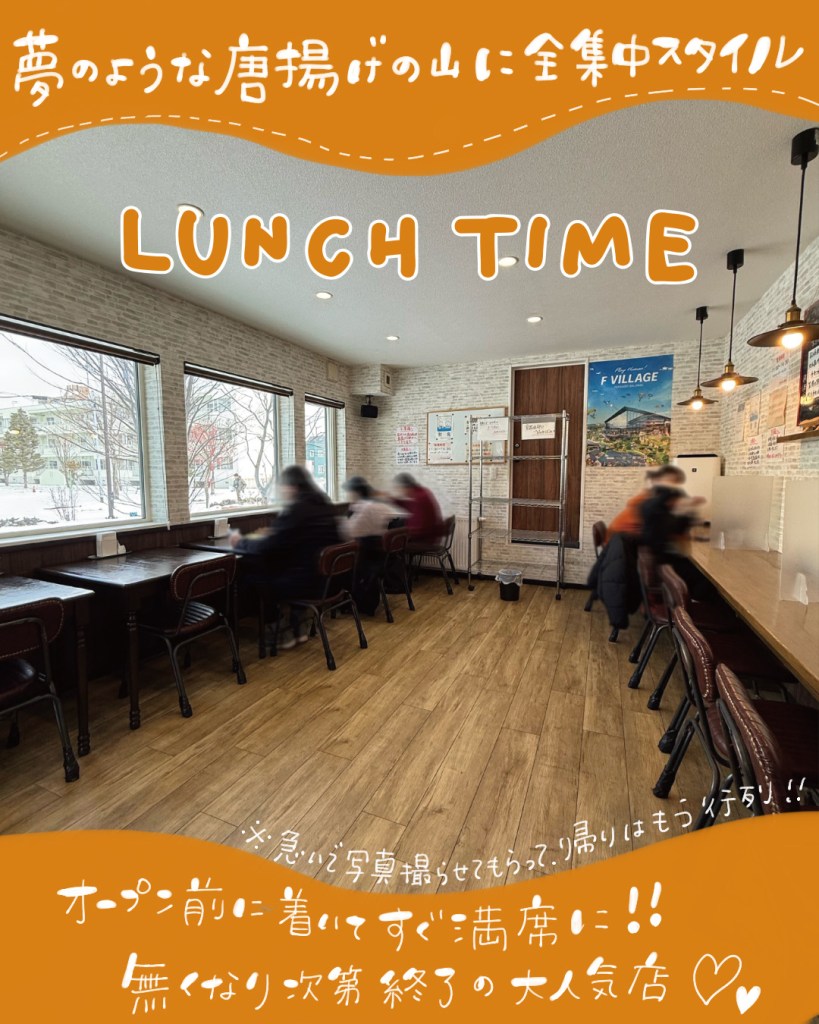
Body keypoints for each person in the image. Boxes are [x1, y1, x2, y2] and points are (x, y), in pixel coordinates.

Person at [229, 464, 341, 647]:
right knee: (272, 566)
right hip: (324, 580)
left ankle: (279, 630)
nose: (281, 490)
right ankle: (297, 625)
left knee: (252, 572)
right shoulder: (323, 504)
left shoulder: (297, 509)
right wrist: (275, 534)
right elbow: (295, 538)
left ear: (293, 487)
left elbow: (268, 546)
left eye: (282, 486)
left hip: (303, 583)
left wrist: (240, 542)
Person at [389, 472, 443, 543]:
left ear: (406, 487)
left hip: (424, 539)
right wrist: (392, 499)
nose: (400, 492)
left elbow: (420, 528)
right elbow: (408, 505)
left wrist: (405, 533)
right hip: (428, 535)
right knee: (397, 524)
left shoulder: (419, 498)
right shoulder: (421, 492)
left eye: (399, 488)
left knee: (390, 536)